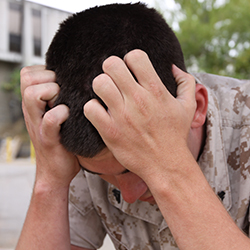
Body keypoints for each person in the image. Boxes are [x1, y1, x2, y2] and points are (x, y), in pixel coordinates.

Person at [17, 3, 250, 250]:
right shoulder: (93, 150)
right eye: (102, 174)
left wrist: (169, 171)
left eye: (131, 168)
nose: (128, 195)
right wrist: (50, 181)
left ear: (197, 107)